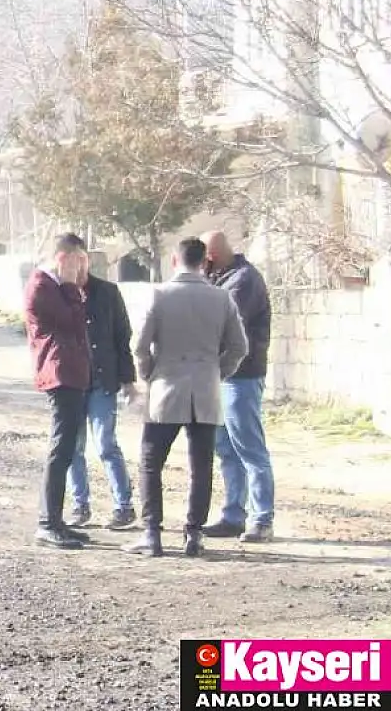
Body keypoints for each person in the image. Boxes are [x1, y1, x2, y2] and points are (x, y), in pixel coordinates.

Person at [126, 237, 248, 558]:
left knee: (151, 463)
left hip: (167, 387)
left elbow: (139, 345)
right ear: (204, 261)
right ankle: (193, 534)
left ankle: (152, 534)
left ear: (174, 261)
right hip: (205, 390)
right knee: (201, 465)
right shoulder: (221, 299)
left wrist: (150, 371)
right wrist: (217, 372)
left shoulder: (160, 295)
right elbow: (240, 347)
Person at [200, 231, 276, 543]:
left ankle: (262, 519)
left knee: (250, 449)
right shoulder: (220, 277)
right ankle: (233, 515)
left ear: (210, 257)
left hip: (241, 376)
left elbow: (222, 326)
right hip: (220, 377)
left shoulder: (243, 281)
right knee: (226, 449)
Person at [23, 233, 93, 550]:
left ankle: (57, 519)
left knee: (66, 451)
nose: (82, 268)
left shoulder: (55, 286)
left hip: (72, 374)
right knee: (60, 448)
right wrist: (70, 285)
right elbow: (74, 322)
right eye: (78, 260)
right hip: (59, 373)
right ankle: (47, 523)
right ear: (63, 258)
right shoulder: (43, 285)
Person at [66, 265, 141, 530]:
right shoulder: (58, 293)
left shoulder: (107, 292)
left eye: (82, 261)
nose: (78, 268)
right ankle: (80, 505)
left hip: (102, 380)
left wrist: (128, 380)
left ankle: (123, 506)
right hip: (71, 383)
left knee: (105, 443)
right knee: (73, 447)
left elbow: (123, 337)